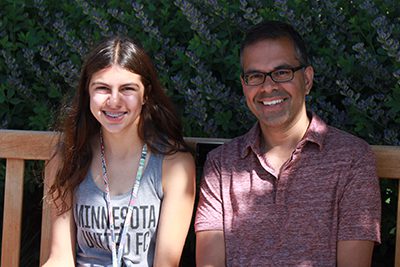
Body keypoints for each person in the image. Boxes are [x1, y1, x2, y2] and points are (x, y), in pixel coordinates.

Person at [195, 20, 381, 266]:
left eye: (282, 72)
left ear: (307, 79)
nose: (268, 86)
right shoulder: (221, 165)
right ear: (244, 85)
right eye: (255, 76)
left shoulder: (352, 159)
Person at [43, 36, 196, 267]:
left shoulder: (174, 165)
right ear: (87, 93)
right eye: (103, 88)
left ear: (146, 94)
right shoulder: (67, 156)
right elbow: (60, 258)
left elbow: (167, 264)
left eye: (127, 89)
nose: (114, 101)